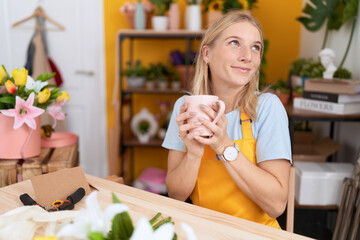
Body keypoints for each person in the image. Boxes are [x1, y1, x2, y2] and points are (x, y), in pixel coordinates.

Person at [162, 12, 292, 229]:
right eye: (234, 43)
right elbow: (176, 195)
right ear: (207, 53)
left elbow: (277, 204)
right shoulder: (185, 107)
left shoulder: (267, 107)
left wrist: (223, 145)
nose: (247, 57)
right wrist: (193, 154)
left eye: (255, 47)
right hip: (203, 231)